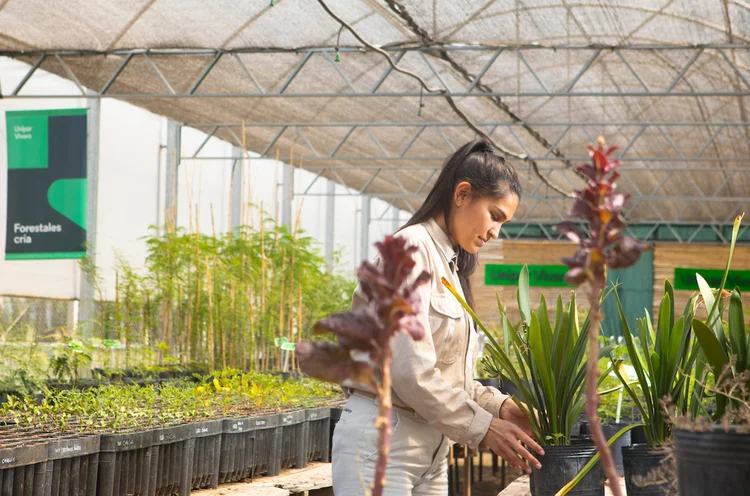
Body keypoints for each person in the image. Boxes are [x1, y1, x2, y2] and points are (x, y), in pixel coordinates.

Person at [332, 138, 545, 495]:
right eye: (495, 216)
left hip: (431, 448)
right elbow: (410, 373)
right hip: (384, 444)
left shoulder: (448, 265)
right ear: (462, 195)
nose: (496, 232)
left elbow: (444, 376)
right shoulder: (411, 253)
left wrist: (502, 407)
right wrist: (485, 428)